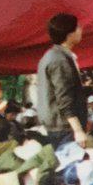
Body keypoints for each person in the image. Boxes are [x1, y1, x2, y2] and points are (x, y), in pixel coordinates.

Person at [34, 12, 88, 147]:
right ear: (69, 34)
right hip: (64, 127)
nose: (81, 30)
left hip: (58, 125)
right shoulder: (59, 60)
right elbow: (64, 98)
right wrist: (77, 129)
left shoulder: (52, 56)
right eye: (77, 28)